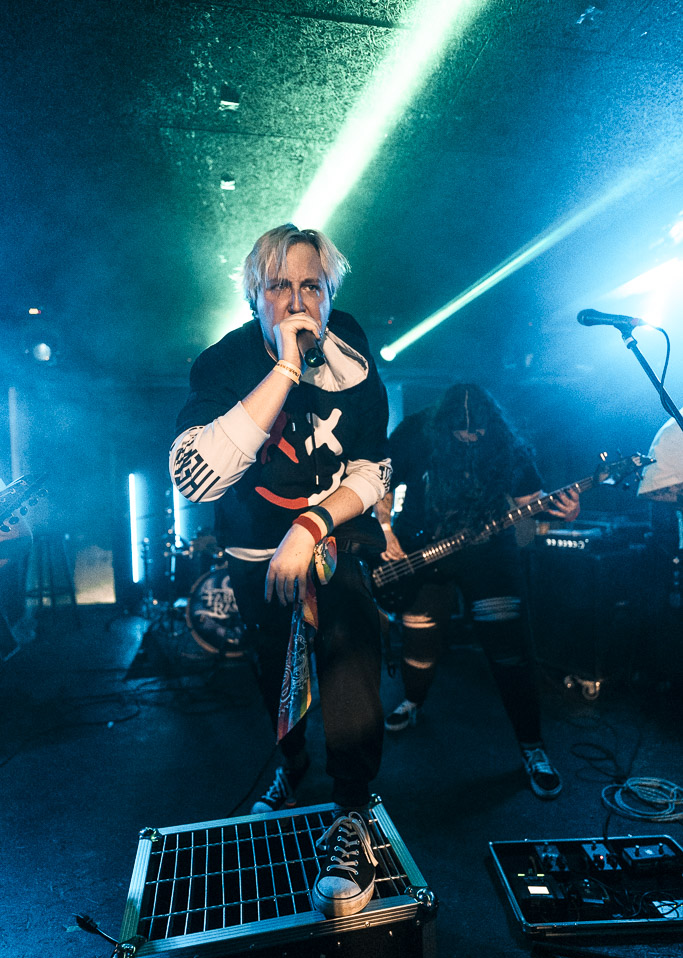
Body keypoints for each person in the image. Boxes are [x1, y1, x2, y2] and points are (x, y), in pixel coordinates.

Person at [170, 224, 391, 817]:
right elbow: (194, 481)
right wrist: (286, 369)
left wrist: (313, 524)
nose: (297, 303)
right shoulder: (224, 363)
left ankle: (352, 808)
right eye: (278, 287)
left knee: (350, 654)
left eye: (311, 287)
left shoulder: (350, 345)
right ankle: (292, 766)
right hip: (256, 555)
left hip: (331, 536)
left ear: (329, 296)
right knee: (278, 677)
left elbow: (375, 467)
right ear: (254, 298)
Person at [375, 383, 580, 799]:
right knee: (418, 636)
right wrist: (384, 530)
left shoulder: (506, 443)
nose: (470, 437)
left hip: (488, 552)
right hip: (422, 549)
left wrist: (565, 511)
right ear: (444, 425)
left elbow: (529, 505)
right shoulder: (416, 432)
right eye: (462, 431)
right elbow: (379, 481)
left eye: (478, 431)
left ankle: (532, 746)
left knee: (510, 650)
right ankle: (413, 701)